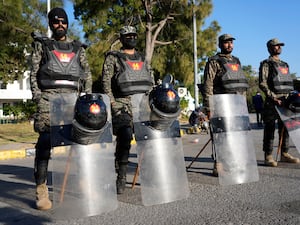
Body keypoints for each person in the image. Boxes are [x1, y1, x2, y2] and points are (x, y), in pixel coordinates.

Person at [30, 7, 92, 210]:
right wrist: (39, 98)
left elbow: (87, 74)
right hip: (48, 99)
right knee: (46, 141)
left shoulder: (77, 48)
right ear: (50, 24)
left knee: (78, 142)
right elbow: (34, 73)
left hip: (73, 100)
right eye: (55, 22)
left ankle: (80, 183)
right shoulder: (43, 45)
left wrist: (86, 99)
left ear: (67, 23)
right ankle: (41, 189)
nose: (60, 25)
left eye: (63, 21)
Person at [101, 25, 154, 194]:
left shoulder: (142, 57)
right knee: (124, 136)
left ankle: (148, 174)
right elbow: (106, 83)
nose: (131, 38)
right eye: (127, 35)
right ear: (121, 38)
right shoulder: (113, 58)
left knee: (148, 139)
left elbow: (150, 80)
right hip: (122, 104)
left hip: (142, 105)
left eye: (133, 35)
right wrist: (113, 104)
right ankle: (121, 175)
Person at [203, 34, 249, 176]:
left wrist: (243, 104)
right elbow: (208, 85)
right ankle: (219, 163)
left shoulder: (236, 61)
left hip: (236, 104)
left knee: (235, 135)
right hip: (220, 103)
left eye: (231, 42)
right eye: (226, 43)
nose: (229, 45)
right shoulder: (213, 61)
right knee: (219, 135)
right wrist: (209, 107)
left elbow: (240, 83)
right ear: (220, 44)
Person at [259, 38, 300, 167]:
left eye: (280, 46)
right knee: (270, 129)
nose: (278, 47)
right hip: (272, 102)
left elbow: (288, 83)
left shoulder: (285, 64)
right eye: (276, 46)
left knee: (286, 128)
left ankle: (284, 153)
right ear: (270, 48)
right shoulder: (266, 63)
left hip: (286, 101)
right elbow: (262, 83)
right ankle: (268, 156)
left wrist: (291, 98)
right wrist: (273, 97)